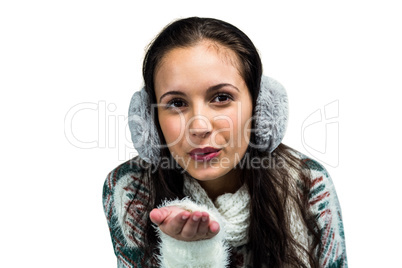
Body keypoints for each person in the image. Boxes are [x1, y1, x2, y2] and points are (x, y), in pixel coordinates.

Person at [102, 17, 348, 268]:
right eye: (176, 103)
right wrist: (188, 257)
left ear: (261, 108)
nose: (199, 127)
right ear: (150, 119)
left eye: (221, 97)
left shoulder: (308, 182)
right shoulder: (128, 189)